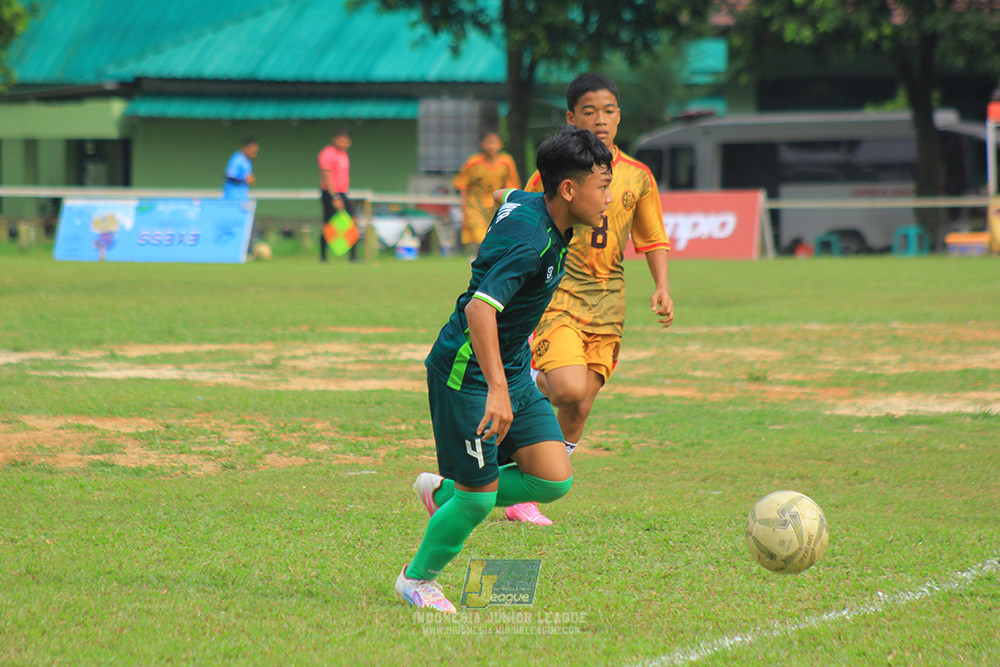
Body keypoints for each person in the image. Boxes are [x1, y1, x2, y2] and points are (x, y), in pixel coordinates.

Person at [394, 127, 614, 612]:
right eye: (601, 186)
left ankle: (444, 491)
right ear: (569, 190)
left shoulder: (524, 200)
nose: (608, 198)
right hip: (468, 370)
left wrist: (507, 378)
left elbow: (503, 195)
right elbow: (479, 310)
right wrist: (497, 389)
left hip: (509, 363)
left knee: (553, 478)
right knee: (477, 500)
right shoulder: (532, 245)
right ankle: (416, 580)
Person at [507, 73, 674, 526]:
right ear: (570, 118)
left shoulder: (637, 177)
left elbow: (652, 237)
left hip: (609, 305)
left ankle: (527, 493)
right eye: (588, 111)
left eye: (609, 111)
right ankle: (519, 386)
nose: (600, 120)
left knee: (579, 406)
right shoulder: (552, 172)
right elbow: (524, 221)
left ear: (620, 117)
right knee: (566, 388)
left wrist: (661, 286)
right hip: (557, 294)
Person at [452, 130, 520, 260]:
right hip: (475, 205)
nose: (491, 146)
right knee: (480, 238)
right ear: (481, 144)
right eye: (488, 143)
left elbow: (512, 184)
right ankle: (479, 263)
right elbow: (462, 182)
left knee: (493, 237)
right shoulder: (474, 162)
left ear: (500, 145)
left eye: (494, 143)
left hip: (495, 206)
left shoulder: (506, 162)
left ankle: (482, 263)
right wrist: (463, 201)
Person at [318, 127, 357, 262]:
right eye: (341, 141)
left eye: (347, 142)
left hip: (343, 192)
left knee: (352, 220)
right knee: (329, 225)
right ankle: (323, 256)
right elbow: (327, 177)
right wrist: (334, 197)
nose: (344, 144)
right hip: (331, 193)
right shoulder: (327, 154)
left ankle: (353, 256)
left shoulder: (344, 155)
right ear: (335, 139)